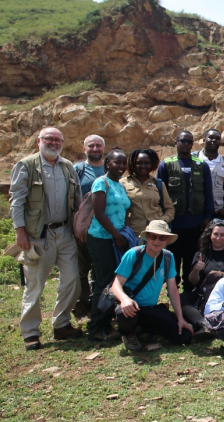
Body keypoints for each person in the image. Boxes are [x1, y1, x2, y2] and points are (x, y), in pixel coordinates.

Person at [9, 127, 83, 350]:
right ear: (39, 141)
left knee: (72, 280)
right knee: (35, 285)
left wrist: (78, 228)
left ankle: (61, 324)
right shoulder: (27, 165)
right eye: (49, 139)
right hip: (38, 236)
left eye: (57, 140)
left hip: (65, 233)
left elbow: (77, 198)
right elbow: (17, 200)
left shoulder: (67, 166)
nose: (53, 143)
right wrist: (20, 231)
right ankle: (31, 332)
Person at [112, 220, 193, 351]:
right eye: (153, 236)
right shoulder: (134, 254)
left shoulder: (168, 257)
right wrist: (124, 299)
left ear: (167, 240)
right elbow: (116, 284)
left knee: (184, 336)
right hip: (132, 306)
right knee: (123, 311)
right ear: (147, 237)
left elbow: (172, 289)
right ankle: (128, 333)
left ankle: (142, 328)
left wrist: (180, 318)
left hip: (150, 309)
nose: (157, 241)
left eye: (162, 237)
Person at [157, 130, 215, 288]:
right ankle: (173, 291)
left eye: (190, 142)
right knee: (173, 260)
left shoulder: (200, 164)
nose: (187, 144)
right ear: (176, 142)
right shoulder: (166, 164)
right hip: (174, 224)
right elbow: (159, 194)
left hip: (196, 224)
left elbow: (208, 192)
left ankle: (189, 293)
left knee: (192, 259)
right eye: (183, 141)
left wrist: (208, 217)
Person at [86, 148, 132, 342]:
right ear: (107, 164)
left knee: (113, 280)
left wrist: (125, 233)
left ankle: (107, 320)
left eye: (123, 163)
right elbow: (99, 213)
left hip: (117, 239)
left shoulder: (119, 185)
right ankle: (96, 327)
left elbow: (125, 211)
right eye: (117, 163)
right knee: (103, 281)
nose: (121, 166)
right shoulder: (101, 182)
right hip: (101, 239)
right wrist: (116, 235)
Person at [180, 220, 224, 337]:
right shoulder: (201, 255)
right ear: (210, 235)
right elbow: (193, 282)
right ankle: (202, 323)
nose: (218, 238)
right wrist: (196, 270)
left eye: (222, 235)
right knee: (180, 299)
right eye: (215, 234)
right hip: (204, 296)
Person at [72, 134, 105, 318]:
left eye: (98, 146)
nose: (95, 149)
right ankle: (82, 303)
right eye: (91, 146)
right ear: (84, 149)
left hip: (103, 230)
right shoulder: (78, 169)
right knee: (81, 270)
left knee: (99, 271)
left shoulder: (110, 168)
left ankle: (96, 305)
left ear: (103, 149)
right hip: (82, 231)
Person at [123, 148, 175, 236]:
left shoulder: (158, 184)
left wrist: (162, 220)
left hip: (157, 233)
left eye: (147, 163)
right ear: (133, 164)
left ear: (152, 164)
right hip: (134, 233)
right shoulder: (123, 183)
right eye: (139, 163)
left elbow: (170, 209)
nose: (143, 166)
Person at [195, 129, 224, 218]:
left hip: (217, 211)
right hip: (197, 211)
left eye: (217, 138)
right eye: (211, 137)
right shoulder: (193, 159)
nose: (214, 140)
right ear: (204, 140)